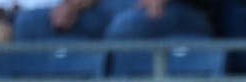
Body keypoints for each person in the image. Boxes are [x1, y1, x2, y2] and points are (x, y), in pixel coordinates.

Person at [13, 0, 211, 40]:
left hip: (175, 9)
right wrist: (72, 5)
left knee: (125, 27)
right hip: (103, 8)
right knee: (29, 23)